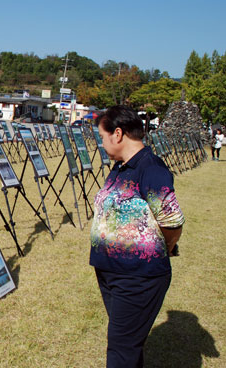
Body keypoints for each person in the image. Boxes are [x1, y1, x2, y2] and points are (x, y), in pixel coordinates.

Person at [90, 105, 185, 368]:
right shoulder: (121, 167)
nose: (102, 143)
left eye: (103, 136)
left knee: (121, 351)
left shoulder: (150, 168)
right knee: (127, 345)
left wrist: (166, 246)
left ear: (117, 133)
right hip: (112, 272)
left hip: (138, 277)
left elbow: (172, 219)